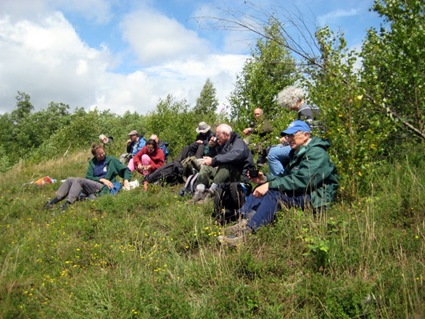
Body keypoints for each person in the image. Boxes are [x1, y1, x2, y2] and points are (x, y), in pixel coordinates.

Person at [218, 120, 338, 247]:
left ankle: (248, 234)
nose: (289, 139)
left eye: (293, 135)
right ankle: (244, 221)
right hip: (302, 191)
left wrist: (269, 185)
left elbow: (304, 181)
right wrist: (265, 179)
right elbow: (285, 177)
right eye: (288, 136)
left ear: (306, 135)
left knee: (274, 194)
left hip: (315, 197)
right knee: (260, 188)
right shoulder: (298, 152)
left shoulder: (316, 153)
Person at [43, 144, 131, 211]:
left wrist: (126, 180)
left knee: (79, 180)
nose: (102, 155)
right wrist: (101, 179)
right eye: (99, 154)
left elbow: (125, 170)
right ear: (95, 155)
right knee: (70, 179)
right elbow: (88, 177)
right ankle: (53, 202)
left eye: (103, 153)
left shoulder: (111, 160)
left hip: (104, 187)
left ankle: (67, 204)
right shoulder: (93, 163)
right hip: (95, 183)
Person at [190, 123, 254, 203]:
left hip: (241, 177)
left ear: (225, 134)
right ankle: (199, 192)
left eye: (218, 135)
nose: (216, 138)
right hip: (225, 174)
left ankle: (210, 195)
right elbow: (216, 157)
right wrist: (212, 147)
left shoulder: (238, 143)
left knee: (226, 166)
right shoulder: (223, 144)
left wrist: (213, 161)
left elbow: (234, 156)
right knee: (206, 167)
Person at [268, 86, 320, 176]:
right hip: (313, 141)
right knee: (276, 148)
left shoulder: (304, 110)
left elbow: (306, 132)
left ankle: (279, 181)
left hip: (308, 145)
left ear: (293, 100)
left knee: (273, 154)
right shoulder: (311, 106)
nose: (289, 108)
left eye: (288, 105)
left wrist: (286, 139)